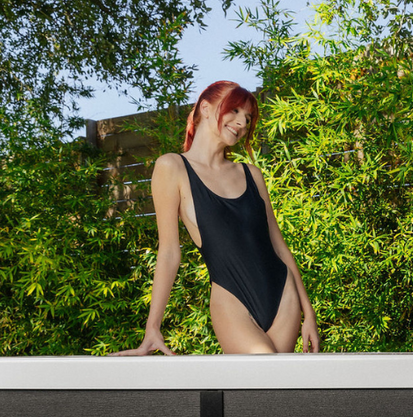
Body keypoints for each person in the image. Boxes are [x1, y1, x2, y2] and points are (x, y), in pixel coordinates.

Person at [114, 81, 319, 355]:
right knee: (263, 365)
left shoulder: (251, 174)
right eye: (234, 110)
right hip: (231, 299)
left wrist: (309, 314)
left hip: (284, 296)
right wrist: (153, 327)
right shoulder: (172, 167)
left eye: (248, 118)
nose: (242, 123)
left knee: (277, 382)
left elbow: (279, 247)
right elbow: (169, 252)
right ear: (205, 108)